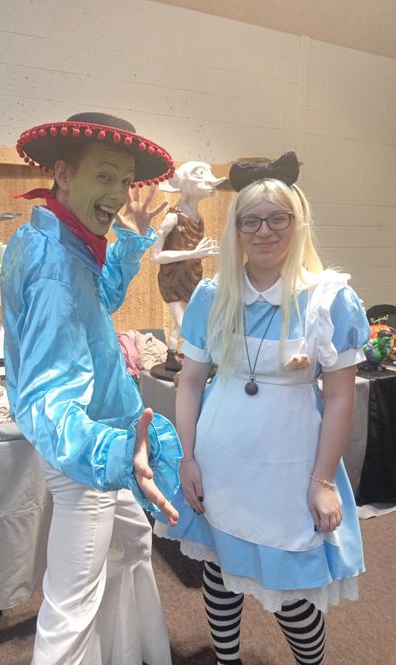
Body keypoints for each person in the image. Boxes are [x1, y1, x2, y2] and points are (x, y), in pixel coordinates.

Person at [155, 151, 370, 665]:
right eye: (250, 220)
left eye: (278, 218)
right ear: (236, 229)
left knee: (291, 589)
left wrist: (322, 482)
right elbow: (190, 382)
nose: (263, 231)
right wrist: (187, 458)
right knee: (219, 570)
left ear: (298, 223)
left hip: (289, 464)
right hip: (220, 457)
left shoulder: (329, 300)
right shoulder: (212, 295)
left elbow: (340, 396)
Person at [1, 112, 183, 665]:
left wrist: (129, 239)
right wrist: (115, 453)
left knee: (132, 544)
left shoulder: (54, 237)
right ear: (62, 174)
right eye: (104, 176)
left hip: (102, 435)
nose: (119, 193)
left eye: (124, 180)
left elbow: (99, 301)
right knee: (73, 601)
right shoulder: (54, 265)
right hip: (86, 449)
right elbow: (47, 401)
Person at [151, 161, 223, 371]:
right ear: (188, 185)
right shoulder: (172, 218)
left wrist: (200, 256)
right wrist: (194, 254)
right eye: (205, 182)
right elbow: (155, 256)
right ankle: (172, 356)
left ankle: (188, 356)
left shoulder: (198, 219)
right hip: (173, 279)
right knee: (183, 324)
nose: (211, 187)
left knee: (196, 320)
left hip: (192, 276)